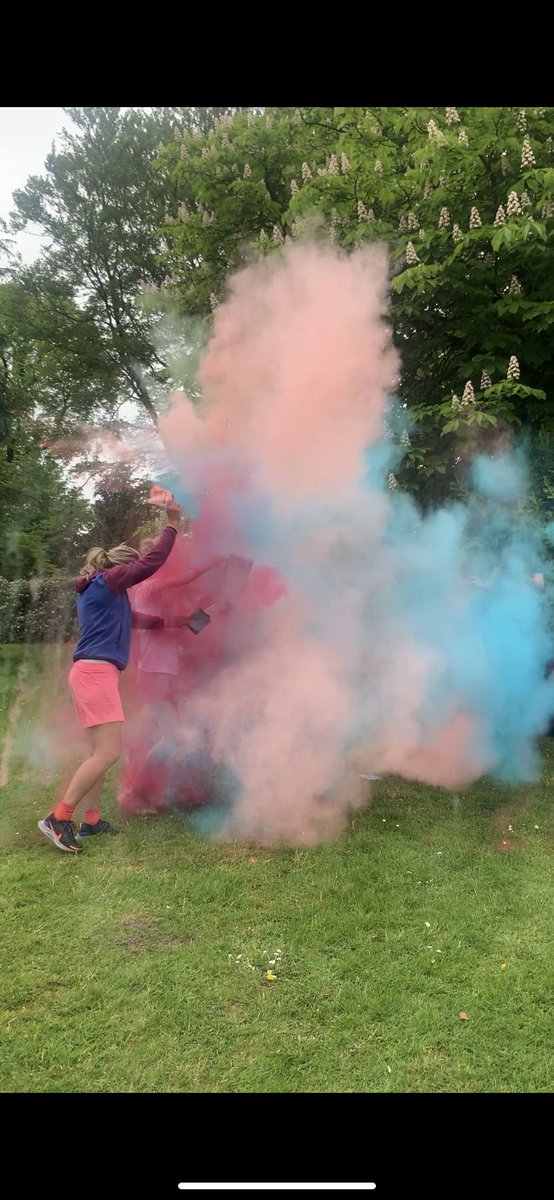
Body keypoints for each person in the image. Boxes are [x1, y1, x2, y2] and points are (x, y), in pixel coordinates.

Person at [38, 501, 183, 853]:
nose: (135, 578)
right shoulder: (110, 580)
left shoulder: (102, 591)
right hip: (95, 674)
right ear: (122, 569)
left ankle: (90, 821)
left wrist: (174, 623)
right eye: (131, 572)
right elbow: (150, 564)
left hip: (93, 673)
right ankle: (59, 818)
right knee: (108, 752)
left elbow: (138, 620)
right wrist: (172, 525)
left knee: (99, 752)